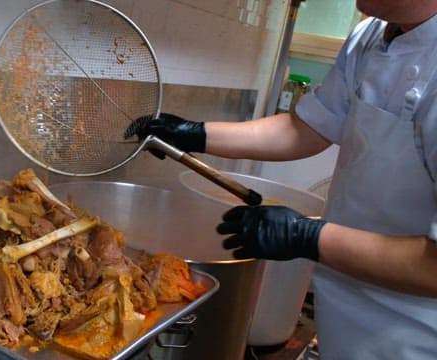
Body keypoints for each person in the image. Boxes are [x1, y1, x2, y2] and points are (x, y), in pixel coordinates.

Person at [128, 1, 437, 359]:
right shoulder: (369, 35)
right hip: (344, 299)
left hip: (415, 331)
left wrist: (306, 236)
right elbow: (308, 128)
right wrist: (196, 134)